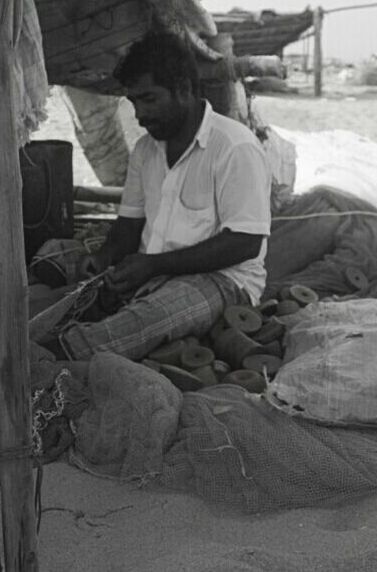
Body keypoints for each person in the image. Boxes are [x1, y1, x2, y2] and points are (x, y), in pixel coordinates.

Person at [52, 30, 271, 362]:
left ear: (182, 89)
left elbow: (245, 242)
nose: (139, 114)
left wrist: (153, 266)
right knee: (62, 279)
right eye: (134, 102)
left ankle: (56, 357)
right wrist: (106, 255)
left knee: (147, 319)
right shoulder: (146, 150)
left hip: (225, 281)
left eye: (149, 99)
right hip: (154, 271)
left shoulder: (233, 146)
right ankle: (45, 336)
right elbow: (128, 226)